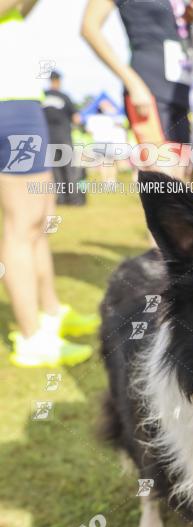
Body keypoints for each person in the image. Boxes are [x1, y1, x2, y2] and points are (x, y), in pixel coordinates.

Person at [0, 1, 96, 368]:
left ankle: (49, 314)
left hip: (23, 103)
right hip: (8, 105)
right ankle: (30, 339)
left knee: (40, 216)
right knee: (21, 223)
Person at [81, 0, 193, 179]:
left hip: (180, 93)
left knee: (183, 184)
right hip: (148, 88)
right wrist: (131, 81)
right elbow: (89, 28)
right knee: (166, 183)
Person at [42, 70, 81, 204]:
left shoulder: (43, 96)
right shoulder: (65, 97)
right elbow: (76, 118)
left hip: (48, 138)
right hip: (64, 137)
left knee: (55, 171)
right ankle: (74, 200)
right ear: (59, 81)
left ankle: (60, 199)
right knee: (69, 169)